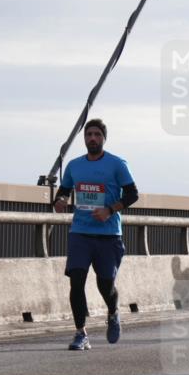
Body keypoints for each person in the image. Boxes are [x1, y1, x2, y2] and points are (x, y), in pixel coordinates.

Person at [52, 118, 139, 351]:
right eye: (89, 134)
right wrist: (60, 201)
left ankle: (112, 312)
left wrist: (110, 210)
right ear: (84, 138)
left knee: (105, 284)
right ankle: (81, 333)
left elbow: (132, 194)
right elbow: (64, 190)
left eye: (97, 135)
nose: (92, 138)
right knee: (76, 281)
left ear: (103, 138)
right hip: (80, 232)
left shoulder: (117, 164)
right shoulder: (74, 165)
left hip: (108, 235)